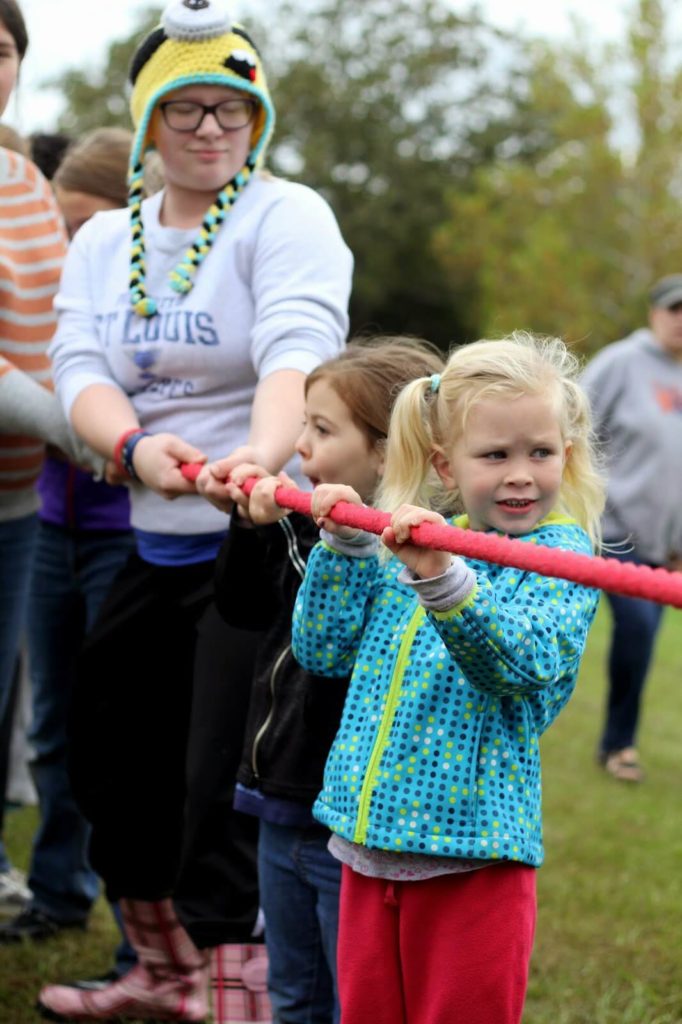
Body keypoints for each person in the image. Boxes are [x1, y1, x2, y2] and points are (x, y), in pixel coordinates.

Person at [37, 0, 352, 1020]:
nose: (212, 128)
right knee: (105, 758)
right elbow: (77, 363)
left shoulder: (285, 214)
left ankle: (243, 987)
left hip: (256, 536)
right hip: (151, 532)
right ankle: (161, 971)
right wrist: (130, 447)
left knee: (223, 773)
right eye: (186, 109)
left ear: (257, 118)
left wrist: (256, 462)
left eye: (233, 107)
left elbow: (294, 351)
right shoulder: (107, 241)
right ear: (146, 122)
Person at [291, 332, 605, 1024]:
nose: (521, 474)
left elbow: (517, 665)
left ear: (567, 456)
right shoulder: (421, 537)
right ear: (446, 462)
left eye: (541, 452)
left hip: (473, 856)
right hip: (367, 843)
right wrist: (345, 549)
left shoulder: (560, 558)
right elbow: (323, 651)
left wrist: (444, 580)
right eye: (495, 455)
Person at [201, 338, 444, 1024]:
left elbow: (341, 655)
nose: (299, 442)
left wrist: (346, 545)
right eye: (303, 422)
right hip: (277, 794)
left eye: (321, 428)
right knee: (291, 989)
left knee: (352, 996)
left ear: (385, 451)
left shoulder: (416, 558)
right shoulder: (301, 522)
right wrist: (249, 529)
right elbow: (243, 609)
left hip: (345, 813)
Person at [0, 127, 136, 951]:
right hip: (52, 523)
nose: (71, 246)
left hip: (130, 535)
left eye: (89, 228)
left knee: (117, 727)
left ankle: (141, 929)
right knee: (50, 723)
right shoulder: (63, 298)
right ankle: (57, 889)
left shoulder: (156, 299)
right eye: (62, 226)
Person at [0, 0, 91, 918]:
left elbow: (66, 332)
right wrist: (92, 433)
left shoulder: (24, 182)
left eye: (0, 50)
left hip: (17, 501)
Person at [581, 274, 682, 783]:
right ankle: (619, 745)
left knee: (641, 646)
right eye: (675, 308)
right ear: (653, 313)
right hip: (611, 532)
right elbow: (570, 427)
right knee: (637, 626)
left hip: (664, 549)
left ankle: (616, 743)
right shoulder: (622, 362)